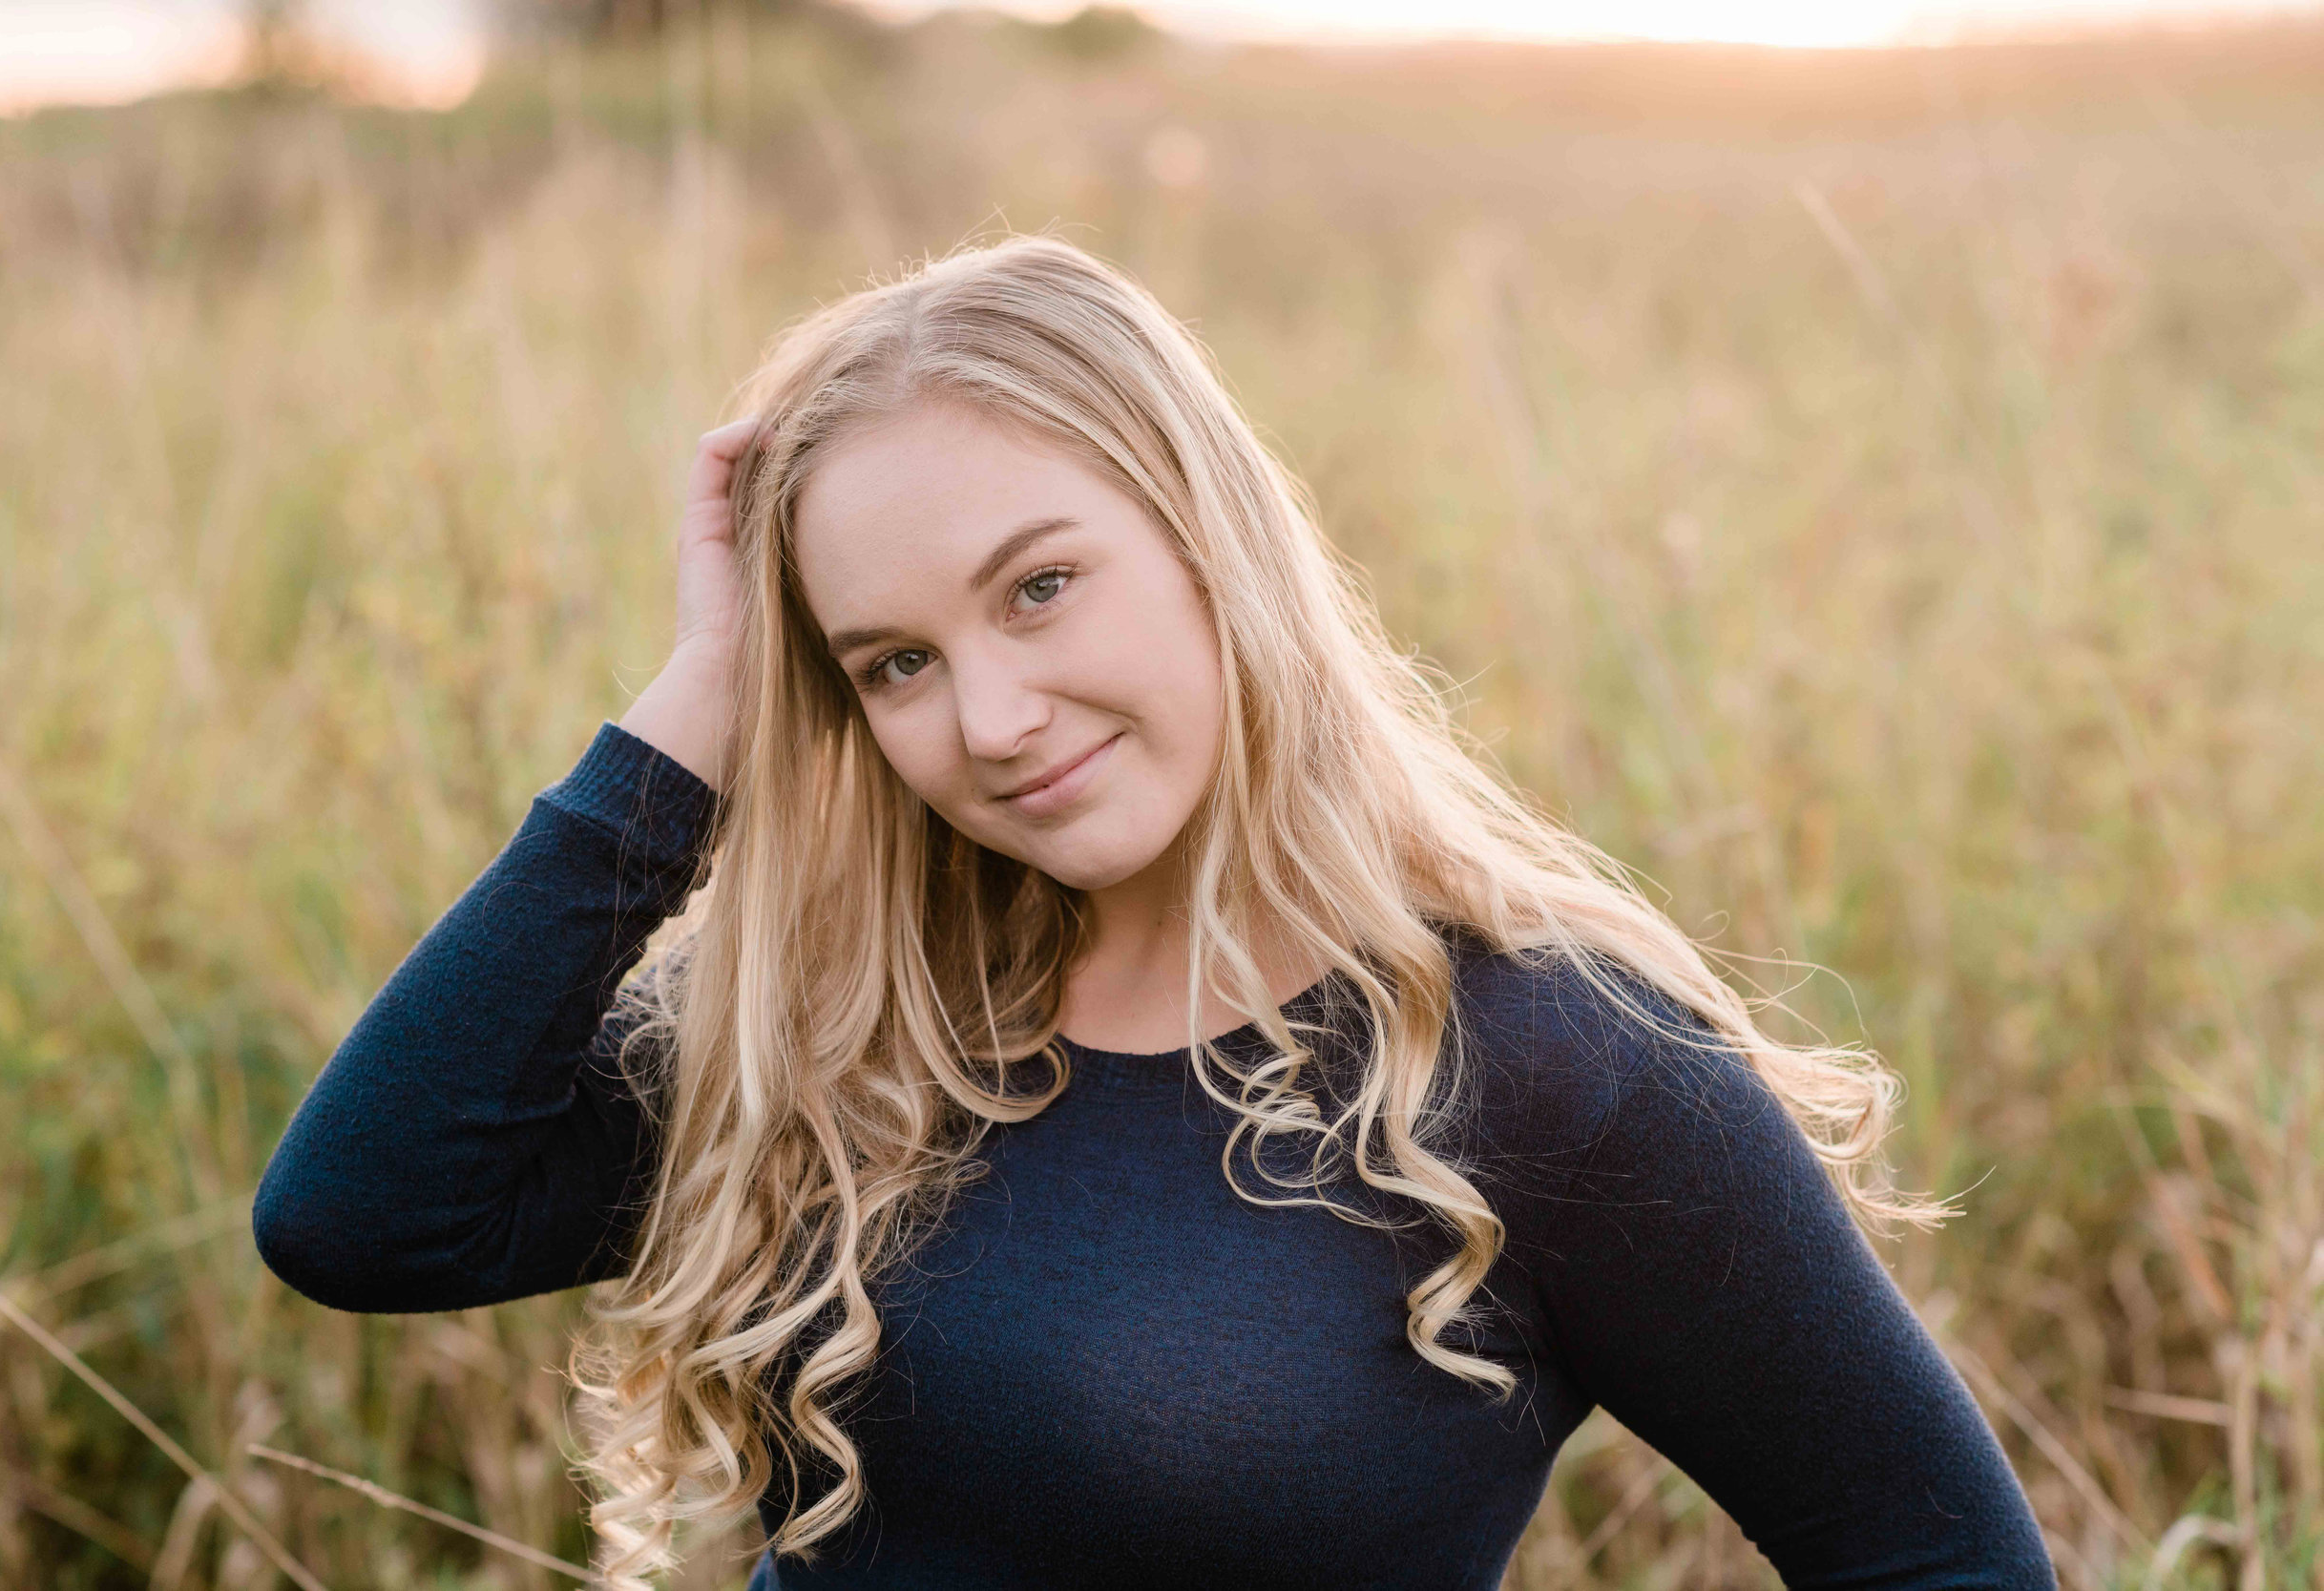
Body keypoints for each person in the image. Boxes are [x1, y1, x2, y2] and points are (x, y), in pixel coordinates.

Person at [252, 236, 2054, 1589]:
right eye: (892, 663)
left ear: (1212, 537)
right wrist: (697, 718)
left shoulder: (1544, 1055)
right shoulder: (845, 1020)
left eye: (1039, 587)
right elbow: (362, 1218)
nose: (991, 720)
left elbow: (1936, 1560)